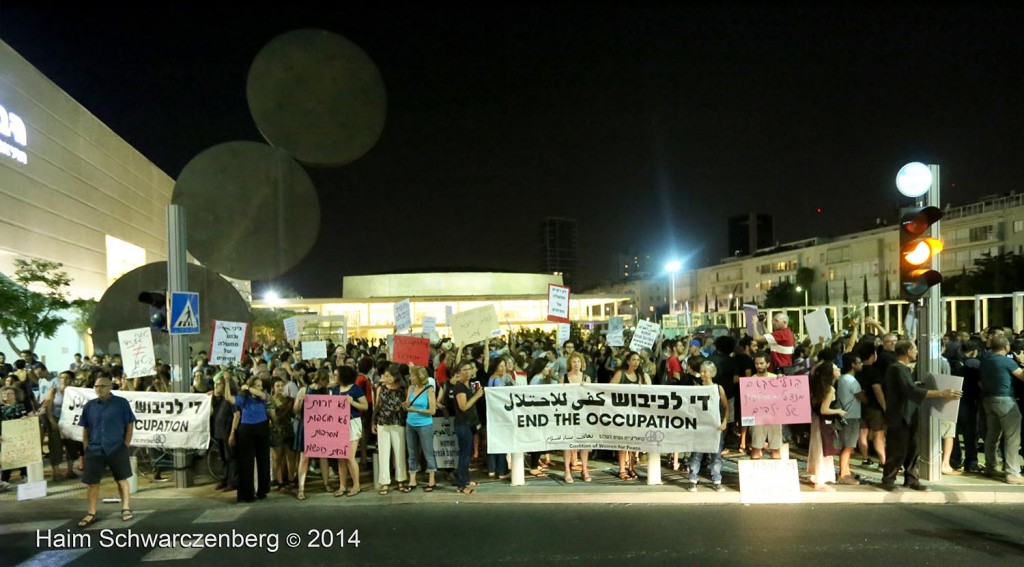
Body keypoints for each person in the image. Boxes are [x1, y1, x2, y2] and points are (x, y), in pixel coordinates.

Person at [880, 340, 962, 492]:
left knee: (913, 448)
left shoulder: (903, 369)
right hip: (900, 415)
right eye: (915, 349)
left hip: (910, 414)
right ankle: (888, 479)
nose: (917, 352)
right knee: (897, 449)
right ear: (908, 351)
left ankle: (911, 479)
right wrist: (941, 393)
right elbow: (909, 390)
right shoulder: (896, 368)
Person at [77, 375, 137, 527]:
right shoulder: (90, 405)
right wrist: (86, 448)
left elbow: (130, 425)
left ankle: (125, 508)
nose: (99, 389)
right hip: (95, 449)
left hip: (117, 448)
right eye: (96, 386)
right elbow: (86, 428)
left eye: (103, 386)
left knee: (122, 479)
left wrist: (125, 444)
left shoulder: (121, 403)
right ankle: (91, 512)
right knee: (92, 483)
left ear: (110, 387)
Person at [979, 336, 1024, 484]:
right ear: (1006, 347)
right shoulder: (1007, 361)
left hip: (988, 400)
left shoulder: (985, 360)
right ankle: (1012, 473)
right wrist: (1022, 362)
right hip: (1005, 400)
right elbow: (1022, 376)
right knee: (1012, 437)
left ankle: (990, 466)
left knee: (992, 436)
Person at [227, 376, 272, 503]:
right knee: (246, 462)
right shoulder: (244, 398)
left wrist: (248, 387)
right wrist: (226, 382)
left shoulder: (262, 396)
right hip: (246, 429)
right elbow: (229, 398)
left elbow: (262, 395)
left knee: (263, 460)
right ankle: (247, 493)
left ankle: (262, 490)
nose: (260, 387)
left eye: (260, 385)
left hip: (262, 427)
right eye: (258, 385)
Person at [686, 361, 728, 492]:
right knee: (697, 453)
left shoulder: (718, 388)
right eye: (701, 371)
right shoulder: (696, 387)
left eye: (706, 371)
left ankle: (716, 479)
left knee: (716, 454)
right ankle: (693, 479)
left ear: (712, 373)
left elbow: (726, 407)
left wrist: (725, 421)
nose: (703, 374)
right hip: (700, 426)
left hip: (715, 427)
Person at [293, 368, 334, 500]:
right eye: (325, 381)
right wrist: (300, 401)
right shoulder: (304, 390)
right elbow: (295, 410)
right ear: (321, 380)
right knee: (304, 457)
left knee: (323, 455)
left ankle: (326, 483)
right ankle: (301, 488)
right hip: (306, 426)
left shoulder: (326, 391)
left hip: (320, 425)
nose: (326, 383)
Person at [807, 361, 846, 491]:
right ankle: (820, 480)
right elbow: (825, 409)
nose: (839, 370)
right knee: (824, 449)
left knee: (818, 447)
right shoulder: (830, 389)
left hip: (816, 420)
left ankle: (815, 475)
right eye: (836, 368)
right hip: (823, 421)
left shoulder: (818, 386)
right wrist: (839, 411)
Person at [611, 350, 648, 480]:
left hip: (635, 413)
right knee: (623, 442)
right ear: (628, 361)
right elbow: (610, 390)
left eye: (638, 360)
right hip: (621, 413)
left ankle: (631, 468)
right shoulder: (620, 374)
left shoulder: (640, 376)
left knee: (633, 442)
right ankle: (622, 469)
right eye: (633, 360)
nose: (636, 362)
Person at [333, 365, 369, 497]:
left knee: (349, 456)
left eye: (336, 375)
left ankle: (356, 485)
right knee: (341, 457)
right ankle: (342, 486)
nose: (334, 377)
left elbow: (365, 406)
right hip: (339, 423)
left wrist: (352, 402)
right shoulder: (335, 389)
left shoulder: (355, 389)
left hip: (352, 423)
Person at [373, 364, 408, 495]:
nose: (385, 378)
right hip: (383, 423)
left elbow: (406, 405)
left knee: (400, 452)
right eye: (384, 376)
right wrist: (373, 421)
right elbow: (377, 405)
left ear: (395, 377)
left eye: (388, 376)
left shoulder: (403, 389)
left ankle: (401, 480)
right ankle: (384, 482)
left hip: (398, 423)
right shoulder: (380, 388)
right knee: (383, 453)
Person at [450, 360, 484, 494]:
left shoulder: (468, 385)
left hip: (469, 424)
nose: (468, 372)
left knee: (468, 453)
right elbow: (463, 406)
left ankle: (466, 479)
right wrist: (476, 396)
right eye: (465, 369)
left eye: (469, 369)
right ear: (459, 373)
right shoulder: (459, 387)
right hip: (462, 424)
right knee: (464, 455)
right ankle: (461, 485)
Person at [402, 366, 438, 493]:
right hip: (410, 423)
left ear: (419, 377)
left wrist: (416, 410)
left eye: (412, 375)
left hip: (425, 424)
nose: (410, 378)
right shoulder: (411, 388)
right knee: (411, 452)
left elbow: (432, 411)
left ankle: (432, 479)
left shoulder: (429, 390)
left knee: (428, 452)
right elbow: (408, 404)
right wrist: (406, 406)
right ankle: (412, 480)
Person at [835, 355, 866, 485]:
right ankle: (843, 474)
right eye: (859, 362)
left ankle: (846, 470)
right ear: (852, 365)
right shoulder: (851, 380)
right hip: (852, 416)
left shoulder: (842, 379)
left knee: (846, 445)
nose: (861, 364)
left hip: (844, 416)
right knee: (848, 446)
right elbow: (861, 397)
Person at [562, 352, 591, 483]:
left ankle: (584, 469)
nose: (576, 364)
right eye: (574, 362)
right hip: (568, 413)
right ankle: (567, 471)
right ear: (570, 364)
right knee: (568, 442)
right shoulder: (564, 378)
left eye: (578, 361)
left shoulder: (586, 378)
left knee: (584, 442)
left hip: (583, 414)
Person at [748, 352, 783, 460]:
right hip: (758, 418)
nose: (759, 366)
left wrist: (783, 381)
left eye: (761, 363)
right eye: (757, 363)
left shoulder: (776, 378)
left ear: (768, 364)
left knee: (776, 449)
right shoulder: (750, 381)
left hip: (775, 417)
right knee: (756, 448)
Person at [267, 377, 296, 491]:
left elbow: (294, 414)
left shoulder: (288, 399)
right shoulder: (271, 400)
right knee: (277, 458)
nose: (280, 388)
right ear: (273, 388)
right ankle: (280, 482)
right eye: (277, 386)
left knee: (291, 457)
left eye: (282, 385)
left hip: (288, 430)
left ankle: (291, 479)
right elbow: (274, 418)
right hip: (276, 432)